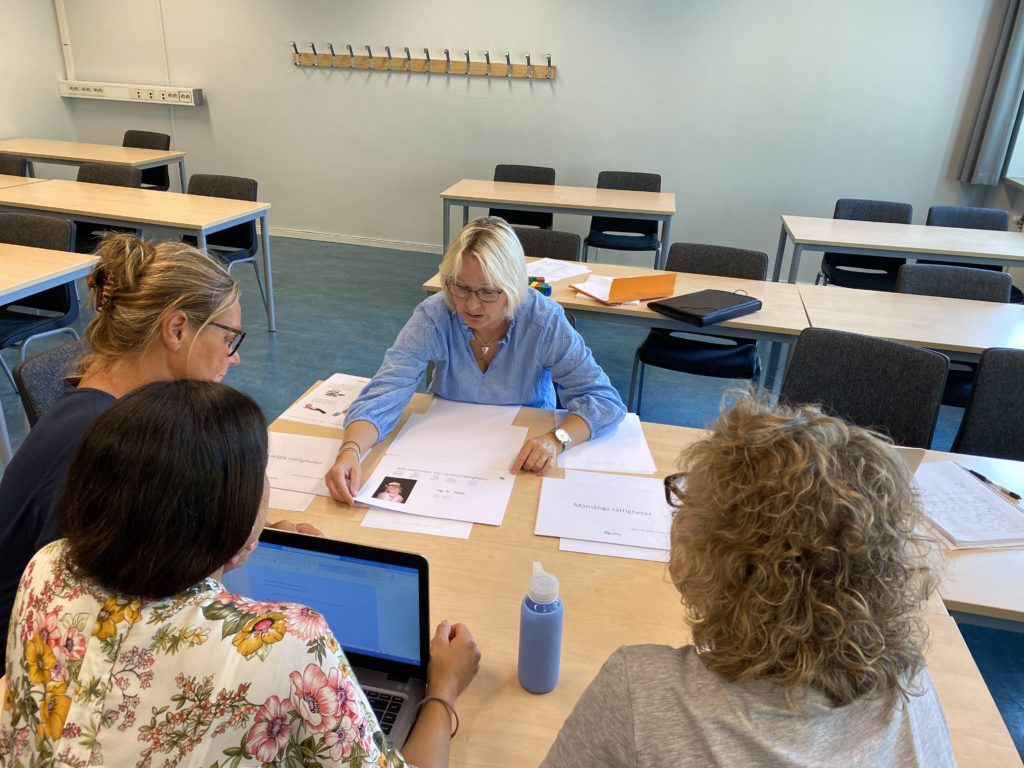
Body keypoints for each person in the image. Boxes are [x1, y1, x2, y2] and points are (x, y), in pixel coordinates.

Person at [1, 381, 480, 767]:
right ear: (227, 521)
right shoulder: (288, 642)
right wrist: (443, 688)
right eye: (258, 475)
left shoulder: (48, 565)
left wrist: (235, 545)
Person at [542, 396, 955, 767]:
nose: (678, 514)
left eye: (689, 502)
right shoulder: (908, 684)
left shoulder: (644, 692)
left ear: (716, 559)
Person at [0, 233, 243, 669]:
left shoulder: (104, 404)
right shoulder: (100, 446)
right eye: (230, 338)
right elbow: (82, 625)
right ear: (177, 328)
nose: (234, 357)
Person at [326, 217, 626, 504]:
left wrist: (556, 438)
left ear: (513, 287)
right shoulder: (433, 316)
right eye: (461, 287)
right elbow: (386, 391)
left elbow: (603, 400)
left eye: (488, 291)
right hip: (446, 440)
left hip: (524, 447)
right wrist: (350, 451)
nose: (471, 304)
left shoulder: (543, 320)